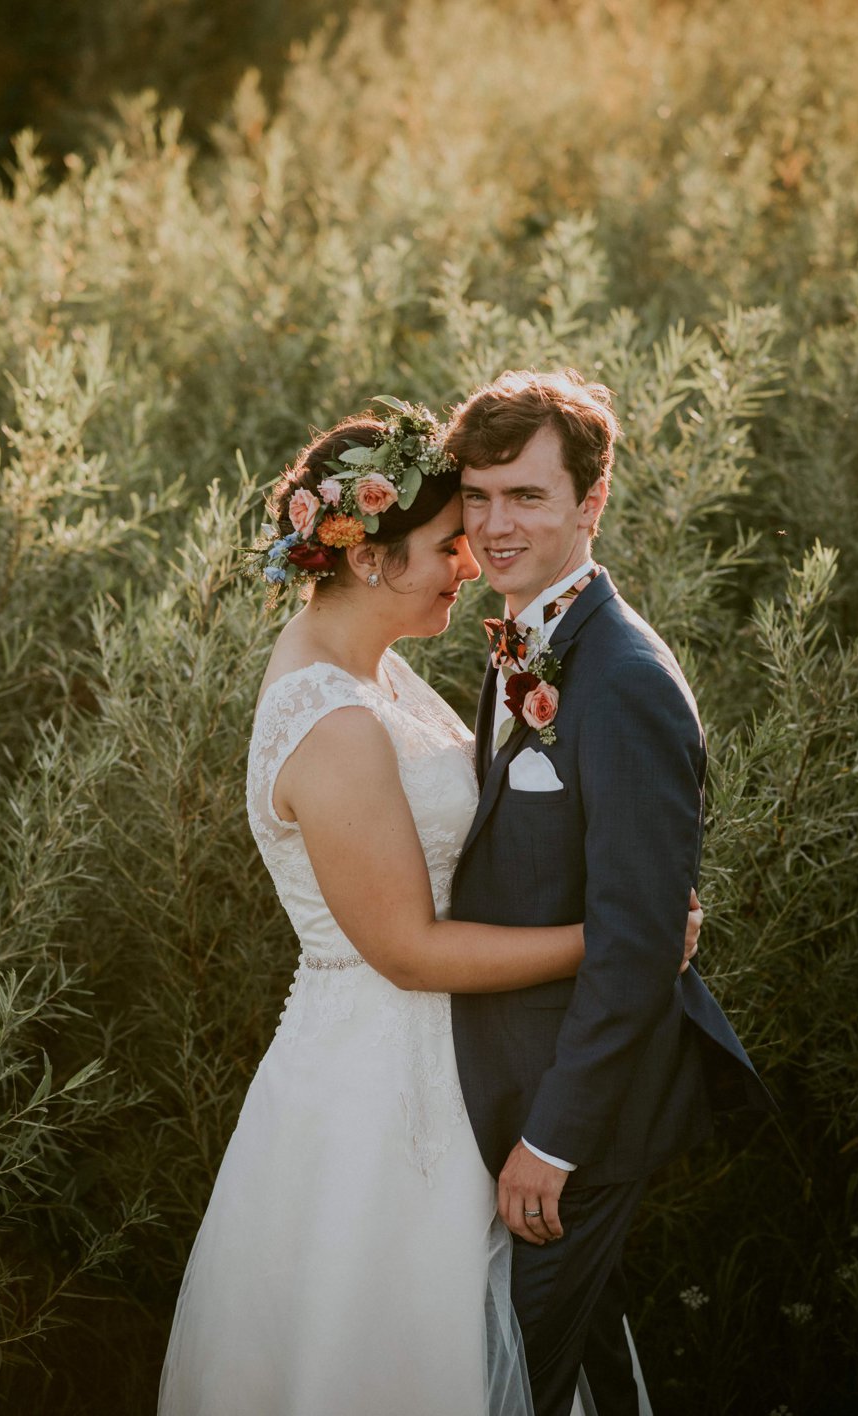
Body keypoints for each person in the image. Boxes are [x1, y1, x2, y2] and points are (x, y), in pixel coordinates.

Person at [158, 400, 703, 1416]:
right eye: (450, 542)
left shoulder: (384, 675)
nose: (471, 561)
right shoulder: (333, 722)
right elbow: (406, 949)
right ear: (369, 560)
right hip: (380, 1090)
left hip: (462, 1069)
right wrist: (615, 943)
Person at [444, 369, 776, 1416]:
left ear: (590, 503)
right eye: (480, 496)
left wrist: (553, 1142)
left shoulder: (624, 680)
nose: (496, 526)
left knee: (512, 1384)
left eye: (527, 497)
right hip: (505, 1096)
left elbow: (637, 947)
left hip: (576, 1122)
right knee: (558, 1368)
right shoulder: (517, 645)